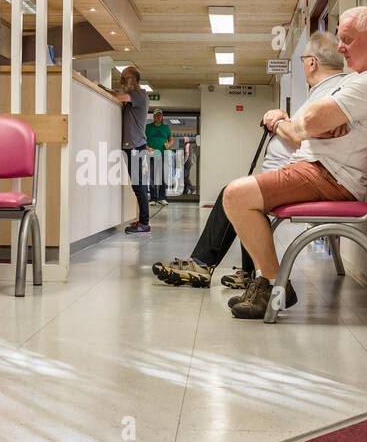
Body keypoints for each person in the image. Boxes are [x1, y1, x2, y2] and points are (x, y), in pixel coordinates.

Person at [224, 6, 367, 319]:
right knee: (238, 193)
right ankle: (271, 283)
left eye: (347, 39)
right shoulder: (359, 81)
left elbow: (307, 122)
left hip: (329, 178)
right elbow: (310, 123)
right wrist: (314, 125)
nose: (341, 47)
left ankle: (274, 285)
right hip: (317, 171)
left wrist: (300, 122)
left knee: (235, 195)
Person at [153, 29, 352, 290]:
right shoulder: (325, 92)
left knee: (236, 193)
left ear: (312, 62)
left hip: (314, 178)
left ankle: (202, 264)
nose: (303, 64)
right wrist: (283, 118)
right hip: (304, 174)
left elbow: (300, 135)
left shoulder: (331, 93)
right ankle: (243, 271)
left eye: (303, 58)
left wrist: (278, 120)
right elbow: (305, 131)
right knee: (243, 190)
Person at [100, 66, 151, 233]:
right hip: (132, 146)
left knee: (139, 185)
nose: (121, 81)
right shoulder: (133, 98)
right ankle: (142, 221)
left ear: (133, 80)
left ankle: (144, 223)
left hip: (136, 146)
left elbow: (118, 96)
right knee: (137, 184)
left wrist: (104, 89)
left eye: (124, 78)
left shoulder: (139, 95)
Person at [145, 110, 174, 204]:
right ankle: (153, 198)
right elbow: (142, 139)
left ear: (162, 117)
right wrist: (147, 147)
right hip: (151, 155)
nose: (158, 117)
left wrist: (169, 145)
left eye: (160, 115)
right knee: (152, 177)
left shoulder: (166, 128)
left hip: (163, 155)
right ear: (153, 116)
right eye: (156, 115)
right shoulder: (148, 127)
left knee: (162, 177)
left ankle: (162, 198)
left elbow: (171, 140)